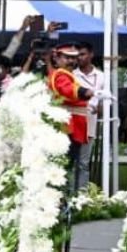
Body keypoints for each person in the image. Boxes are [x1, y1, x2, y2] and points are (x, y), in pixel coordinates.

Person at [47, 43, 109, 191]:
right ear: (57, 58)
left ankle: (69, 198)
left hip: (76, 125)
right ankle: (63, 200)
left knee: (72, 163)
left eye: (73, 58)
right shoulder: (61, 75)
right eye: (67, 58)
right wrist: (91, 93)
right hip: (68, 126)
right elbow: (69, 90)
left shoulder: (65, 74)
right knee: (65, 166)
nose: (71, 61)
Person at [74, 42, 105, 190]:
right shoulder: (72, 75)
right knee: (72, 161)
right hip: (74, 121)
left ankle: (82, 196)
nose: (79, 58)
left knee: (84, 162)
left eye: (83, 54)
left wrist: (101, 107)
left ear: (91, 55)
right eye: (77, 55)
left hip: (90, 122)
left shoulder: (101, 76)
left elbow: (107, 99)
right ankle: (70, 195)